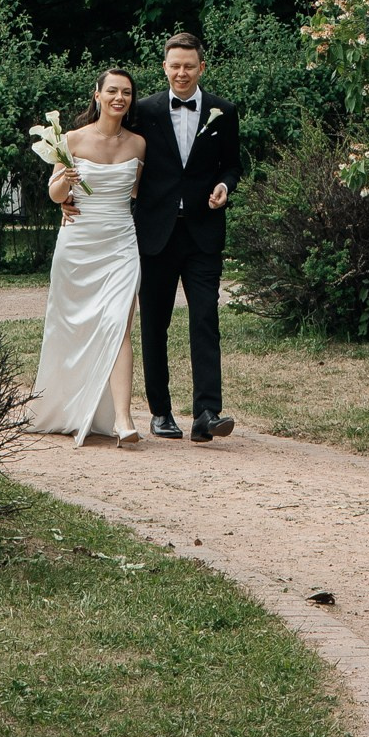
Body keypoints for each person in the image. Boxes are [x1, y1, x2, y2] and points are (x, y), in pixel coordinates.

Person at [128, 32, 242, 442]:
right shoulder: (143, 110)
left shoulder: (223, 112)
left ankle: (207, 413)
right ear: (165, 67)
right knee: (154, 323)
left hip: (202, 234)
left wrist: (225, 187)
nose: (181, 72)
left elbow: (232, 165)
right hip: (155, 234)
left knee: (205, 319)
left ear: (201, 68)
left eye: (189, 66)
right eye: (175, 65)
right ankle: (160, 412)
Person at [27, 67, 145, 445]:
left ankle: (124, 420)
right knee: (71, 325)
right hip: (78, 243)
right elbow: (56, 195)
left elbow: (137, 195)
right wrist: (66, 183)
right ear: (97, 95)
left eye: (126, 92)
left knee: (119, 325)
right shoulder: (71, 140)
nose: (119, 98)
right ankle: (68, 406)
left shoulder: (138, 145)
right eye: (112, 91)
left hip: (121, 244)